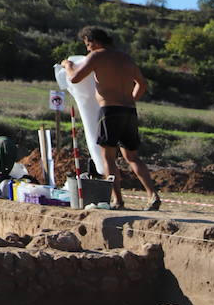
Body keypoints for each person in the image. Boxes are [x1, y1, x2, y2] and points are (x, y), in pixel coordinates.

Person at [60, 26, 161, 210]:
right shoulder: (126, 58)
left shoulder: (97, 56)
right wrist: (131, 99)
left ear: (96, 42)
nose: (88, 49)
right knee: (132, 157)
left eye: (88, 44)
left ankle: (118, 200)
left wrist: (67, 65)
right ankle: (152, 194)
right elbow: (142, 84)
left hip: (110, 111)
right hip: (129, 110)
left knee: (108, 158)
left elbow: (75, 78)